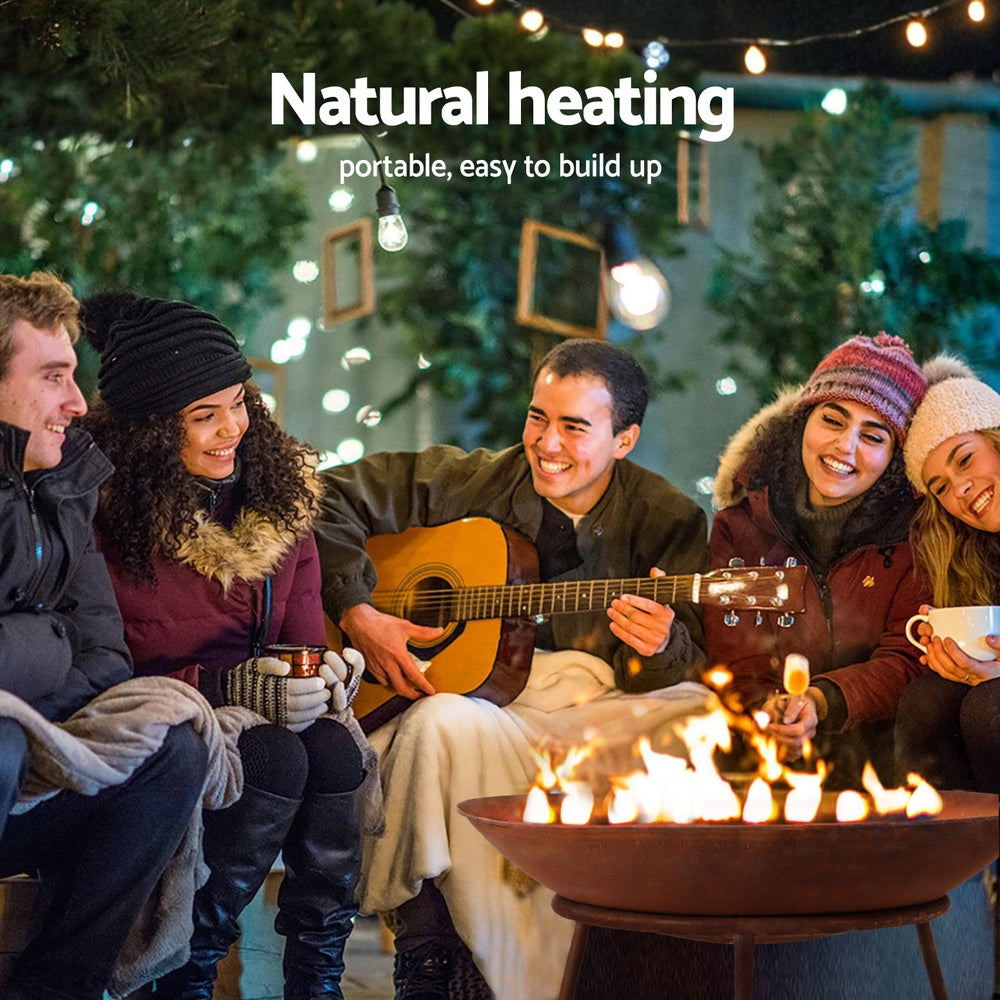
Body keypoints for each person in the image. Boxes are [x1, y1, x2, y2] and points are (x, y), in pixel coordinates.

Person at [315, 338, 711, 1000]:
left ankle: (605, 960)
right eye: (537, 417)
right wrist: (358, 610)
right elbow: (324, 497)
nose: (546, 444)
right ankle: (431, 955)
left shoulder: (668, 517)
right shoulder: (472, 480)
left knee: (699, 715)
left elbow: (689, 661)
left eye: (574, 426)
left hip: (601, 706)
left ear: (625, 440)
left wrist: (660, 646)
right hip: (494, 706)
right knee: (435, 722)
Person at [79, 291, 381, 1000]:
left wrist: (330, 676)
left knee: (336, 749)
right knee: (272, 754)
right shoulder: (104, 516)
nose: (231, 430)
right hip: (160, 717)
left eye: (238, 403)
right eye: (202, 415)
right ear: (152, 430)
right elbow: (105, 671)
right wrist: (225, 690)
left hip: (254, 713)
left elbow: (299, 642)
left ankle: (318, 977)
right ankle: (190, 969)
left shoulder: (281, 503)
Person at [0, 272, 209, 1000]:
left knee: (172, 750)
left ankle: (56, 990)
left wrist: (35, 649)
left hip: (34, 775)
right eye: (53, 377)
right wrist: (46, 640)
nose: (79, 404)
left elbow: (106, 659)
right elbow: (65, 648)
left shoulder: (61, 488)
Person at [705, 333, 930, 787]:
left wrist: (822, 701)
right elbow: (737, 656)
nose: (845, 447)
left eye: (873, 435)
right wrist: (772, 708)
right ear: (803, 421)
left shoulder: (917, 535)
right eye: (833, 419)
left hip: (884, 761)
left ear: (894, 456)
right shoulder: (740, 526)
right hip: (763, 754)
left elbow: (906, 656)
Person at [894, 357, 1000, 793]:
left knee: (989, 708)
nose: (959, 489)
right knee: (927, 701)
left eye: (965, 460)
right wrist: (957, 662)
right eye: (939, 487)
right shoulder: (976, 551)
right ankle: (942, 858)